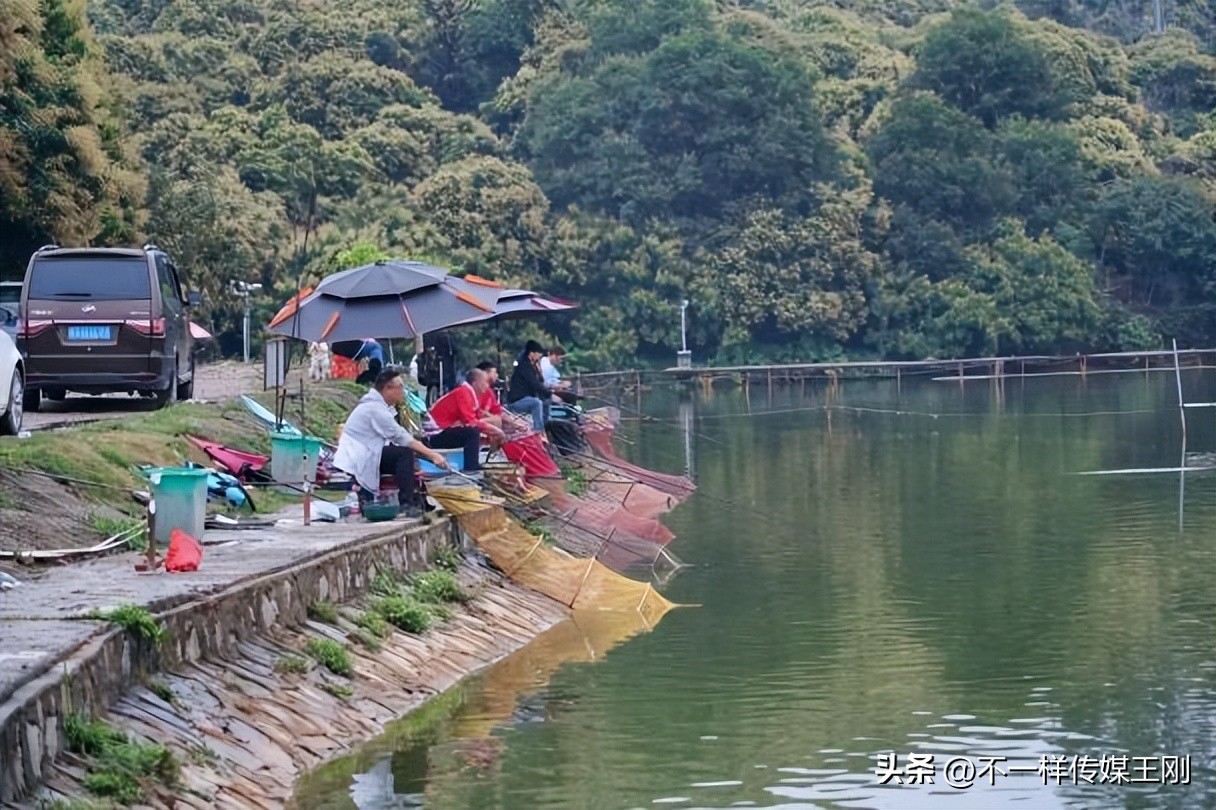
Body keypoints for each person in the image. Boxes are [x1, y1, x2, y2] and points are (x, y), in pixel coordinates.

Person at [333, 368, 449, 517]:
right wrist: (433, 455)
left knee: (408, 456)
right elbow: (402, 438)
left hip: (369, 452)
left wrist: (427, 453)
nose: (403, 391)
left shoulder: (380, 406)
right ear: (387, 388)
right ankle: (407, 503)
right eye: (399, 387)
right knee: (404, 453)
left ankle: (417, 498)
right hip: (360, 456)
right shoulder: (375, 409)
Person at [428, 369, 505, 468]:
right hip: (435, 435)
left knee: (478, 431)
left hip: (443, 430)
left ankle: (479, 461)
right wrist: (495, 430)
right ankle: (471, 468)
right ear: (475, 382)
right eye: (485, 382)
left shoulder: (469, 393)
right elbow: (471, 422)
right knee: (472, 432)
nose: (487, 386)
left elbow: (476, 417)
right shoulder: (463, 393)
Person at [506, 340, 552, 431]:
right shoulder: (524, 366)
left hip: (527, 397)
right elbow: (534, 384)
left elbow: (540, 382)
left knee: (545, 402)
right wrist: (550, 393)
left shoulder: (532, 365)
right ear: (531, 353)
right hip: (517, 400)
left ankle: (546, 428)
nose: (539, 356)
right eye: (538, 354)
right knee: (536, 403)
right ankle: (538, 431)